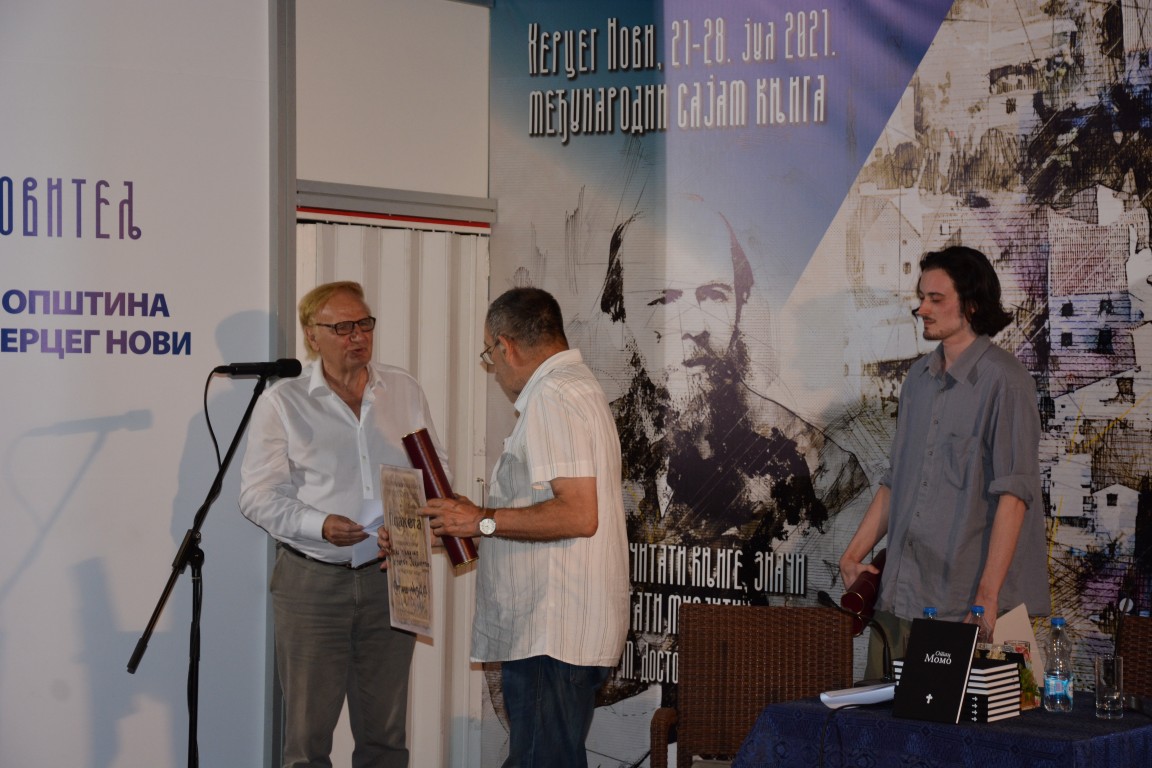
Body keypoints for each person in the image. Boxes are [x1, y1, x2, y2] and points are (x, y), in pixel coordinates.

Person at [239, 280, 448, 768]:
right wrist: (320, 524)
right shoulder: (283, 402)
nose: (358, 335)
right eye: (343, 327)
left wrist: (411, 525)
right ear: (312, 335)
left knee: (385, 738)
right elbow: (256, 496)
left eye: (364, 323)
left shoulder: (402, 390)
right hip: (312, 583)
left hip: (389, 577)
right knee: (307, 742)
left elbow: (438, 475)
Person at [418, 287, 629, 768]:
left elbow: (578, 513)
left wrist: (483, 520)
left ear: (504, 345)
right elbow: (552, 505)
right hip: (557, 631)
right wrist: (477, 518)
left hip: (551, 632)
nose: (494, 368)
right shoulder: (572, 388)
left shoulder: (554, 395)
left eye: (488, 354)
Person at [838, 245, 1051, 679]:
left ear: (971, 304)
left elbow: (1014, 496)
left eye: (936, 299)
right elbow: (896, 482)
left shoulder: (1006, 382)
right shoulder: (917, 379)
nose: (922, 309)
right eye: (922, 297)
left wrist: (986, 598)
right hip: (901, 599)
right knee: (882, 718)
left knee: (975, 723)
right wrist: (852, 554)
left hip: (970, 610)